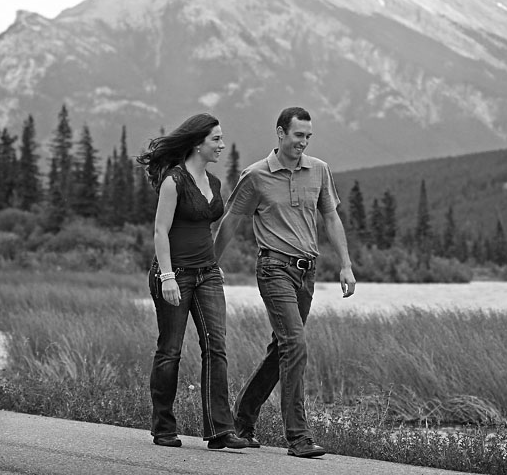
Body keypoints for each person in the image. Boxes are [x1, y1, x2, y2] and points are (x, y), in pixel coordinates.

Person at [214, 106, 356, 459]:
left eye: (308, 136)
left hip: (308, 271)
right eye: (298, 135)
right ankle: (298, 436)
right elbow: (231, 221)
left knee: (282, 348)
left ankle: (242, 421)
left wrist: (346, 265)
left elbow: (331, 217)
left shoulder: (319, 170)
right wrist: (208, 264)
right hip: (273, 267)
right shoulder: (256, 175)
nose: (303, 142)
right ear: (280, 133)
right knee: (295, 344)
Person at [137, 113, 250, 450]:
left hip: (207, 274)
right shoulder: (175, 180)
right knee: (170, 351)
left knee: (217, 348)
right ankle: (163, 427)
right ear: (198, 143)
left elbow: (208, 227)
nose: (221, 145)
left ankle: (219, 430)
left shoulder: (213, 183)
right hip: (175, 275)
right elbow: (160, 231)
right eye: (216, 139)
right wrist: (168, 275)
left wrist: (213, 263)